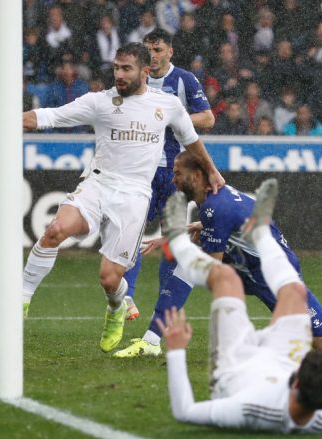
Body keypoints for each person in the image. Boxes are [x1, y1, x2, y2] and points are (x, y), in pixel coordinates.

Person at [20, 43, 224, 353]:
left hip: (135, 195)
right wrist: (10, 119)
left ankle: (116, 306)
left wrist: (212, 171)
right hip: (98, 183)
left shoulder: (167, 105)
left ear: (144, 71)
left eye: (126, 68)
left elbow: (192, 140)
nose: (119, 74)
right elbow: (50, 116)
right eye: (116, 67)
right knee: (54, 231)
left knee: (109, 278)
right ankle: (20, 301)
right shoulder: (100, 102)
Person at [160, 179, 322, 432]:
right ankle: (260, 232)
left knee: (224, 278)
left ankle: (178, 241)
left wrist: (175, 351)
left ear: (295, 383)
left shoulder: (250, 408)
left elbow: (185, 411)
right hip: (279, 357)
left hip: (238, 361)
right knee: (296, 292)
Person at [113, 152, 322, 358]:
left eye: (177, 174)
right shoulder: (214, 200)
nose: (172, 180)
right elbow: (235, 220)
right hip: (250, 270)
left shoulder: (214, 208)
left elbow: (215, 271)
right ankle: (151, 341)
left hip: (279, 278)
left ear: (196, 177)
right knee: (184, 265)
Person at [117, 29, 216, 326]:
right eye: (149, 50)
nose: (154, 55)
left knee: (172, 240)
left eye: (158, 49)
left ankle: (165, 310)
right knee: (130, 233)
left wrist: (169, 116)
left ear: (170, 51)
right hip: (143, 170)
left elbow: (208, 118)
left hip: (175, 174)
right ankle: (126, 297)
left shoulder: (183, 80)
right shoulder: (137, 80)